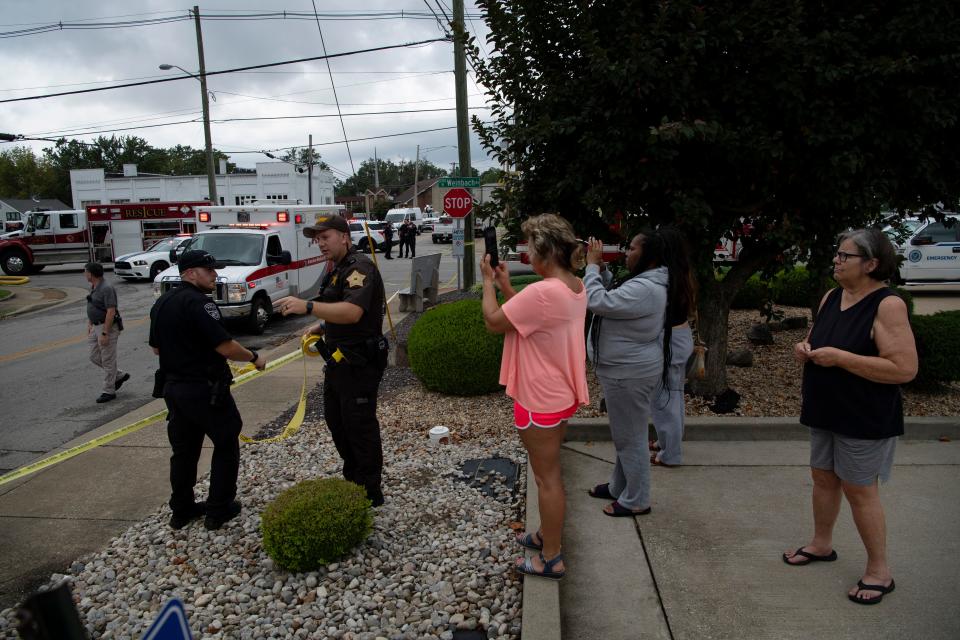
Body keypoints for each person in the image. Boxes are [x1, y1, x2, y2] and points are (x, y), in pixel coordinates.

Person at [783, 228, 917, 606]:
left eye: (846, 256)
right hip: (826, 408)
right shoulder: (832, 297)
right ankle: (821, 544)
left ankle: (879, 571)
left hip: (865, 414)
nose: (837, 261)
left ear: (872, 264)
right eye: (837, 254)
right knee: (823, 478)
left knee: (860, 489)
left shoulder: (888, 305)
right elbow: (818, 338)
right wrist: (804, 348)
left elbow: (904, 369)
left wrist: (841, 359)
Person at [481, 213, 589, 581]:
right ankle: (547, 535)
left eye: (529, 247)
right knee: (550, 473)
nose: (526, 254)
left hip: (539, 396)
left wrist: (486, 284)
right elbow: (530, 319)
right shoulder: (574, 285)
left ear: (544, 251)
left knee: (547, 479)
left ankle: (552, 557)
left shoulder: (544, 292)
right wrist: (508, 287)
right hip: (558, 393)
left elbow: (495, 322)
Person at [149, 250, 267, 530]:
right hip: (205, 390)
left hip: (174, 389)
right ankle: (219, 509)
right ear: (191, 273)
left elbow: (156, 347)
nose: (215, 275)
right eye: (209, 270)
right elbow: (225, 347)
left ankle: (182, 509)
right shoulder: (201, 304)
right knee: (226, 443)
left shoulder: (163, 302)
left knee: (184, 451)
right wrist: (253, 357)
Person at [277, 214, 389, 506]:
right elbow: (339, 307)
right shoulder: (337, 268)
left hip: (359, 365)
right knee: (337, 422)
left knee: (359, 426)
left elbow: (353, 312)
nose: (320, 244)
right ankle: (353, 480)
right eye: (317, 239)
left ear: (344, 236)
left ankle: (369, 493)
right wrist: (324, 326)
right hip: (340, 364)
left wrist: (308, 307)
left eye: (325, 237)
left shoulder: (359, 267)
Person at [583, 228, 692, 517]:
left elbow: (598, 302)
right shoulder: (646, 282)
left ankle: (637, 499)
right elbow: (614, 296)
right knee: (627, 434)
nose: (627, 252)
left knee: (630, 437)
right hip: (625, 370)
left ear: (649, 256)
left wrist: (592, 267)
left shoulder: (647, 287)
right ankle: (621, 486)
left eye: (632, 248)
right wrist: (603, 273)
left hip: (628, 373)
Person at [649, 230, 697, 467]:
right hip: (680, 336)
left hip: (668, 341)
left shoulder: (663, 277)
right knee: (673, 395)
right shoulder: (682, 273)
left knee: (664, 398)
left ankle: (671, 453)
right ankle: (666, 441)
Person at [84, 262, 129, 404]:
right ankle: (119, 375)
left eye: (85, 272)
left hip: (107, 327)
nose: (84, 274)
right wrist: (90, 322)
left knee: (108, 360)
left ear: (91, 274)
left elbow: (111, 311)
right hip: (96, 326)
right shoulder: (94, 286)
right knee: (94, 356)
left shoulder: (107, 288)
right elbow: (93, 305)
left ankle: (108, 390)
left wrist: (105, 333)